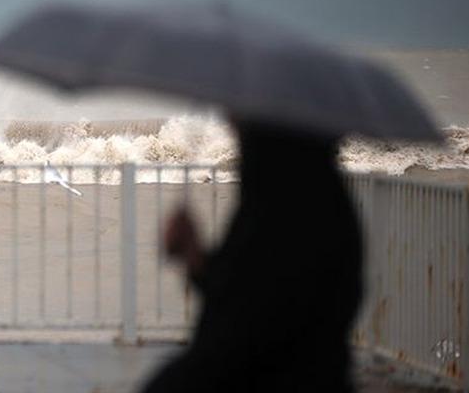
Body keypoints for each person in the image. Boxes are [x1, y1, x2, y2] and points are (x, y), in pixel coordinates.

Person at [142, 121, 363, 392]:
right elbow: (239, 284)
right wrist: (193, 254)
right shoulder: (307, 202)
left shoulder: (289, 212)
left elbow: (252, 315)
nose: (235, 130)